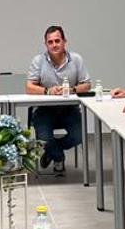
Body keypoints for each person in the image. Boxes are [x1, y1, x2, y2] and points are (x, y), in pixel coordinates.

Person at [26, 25, 90, 174]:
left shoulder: (76, 59)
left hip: (69, 108)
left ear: (64, 42)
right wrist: (47, 91)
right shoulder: (38, 60)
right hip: (44, 110)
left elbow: (87, 84)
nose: (54, 45)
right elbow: (29, 87)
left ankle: (52, 152)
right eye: (50, 42)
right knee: (44, 139)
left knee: (80, 134)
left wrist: (72, 89)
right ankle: (58, 156)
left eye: (57, 41)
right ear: (46, 44)